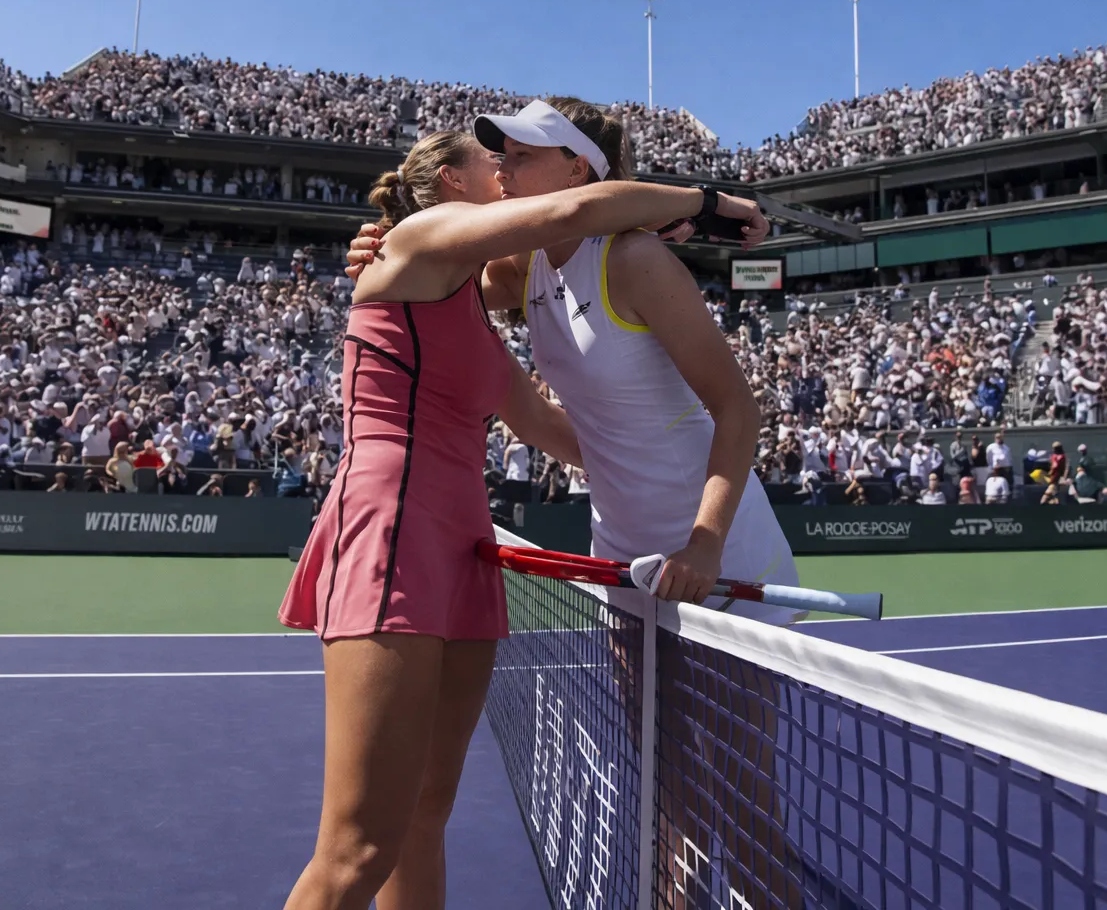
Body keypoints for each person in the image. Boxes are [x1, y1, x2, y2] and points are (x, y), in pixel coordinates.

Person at [280, 126, 765, 910]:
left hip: (463, 545)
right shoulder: (420, 236)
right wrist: (708, 203)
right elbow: (578, 211)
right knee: (359, 846)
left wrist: (682, 464)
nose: (505, 173)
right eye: (491, 165)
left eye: (514, 160)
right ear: (449, 183)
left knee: (424, 817)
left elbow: (549, 430)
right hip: (394, 527)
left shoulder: (465, 297)